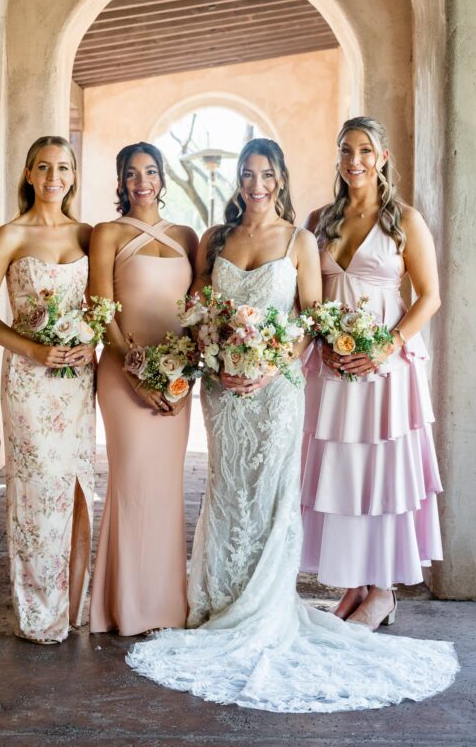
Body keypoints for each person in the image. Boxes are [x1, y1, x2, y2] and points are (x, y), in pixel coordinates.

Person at [126, 137, 458, 713]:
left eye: (267, 175)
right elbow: (199, 310)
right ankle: (220, 601)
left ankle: (278, 605)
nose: (257, 185)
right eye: (247, 175)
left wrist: (267, 366)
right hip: (223, 390)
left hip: (276, 389)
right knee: (227, 494)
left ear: (279, 179)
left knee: (274, 496)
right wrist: (212, 358)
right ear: (238, 181)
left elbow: (307, 317)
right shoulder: (215, 239)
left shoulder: (303, 239)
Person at [300, 116, 445, 629]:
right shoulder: (319, 220)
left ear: (382, 157)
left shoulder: (404, 220)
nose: (354, 160)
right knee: (339, 470)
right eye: (345, 150)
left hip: (386, 369)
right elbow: (307, 296)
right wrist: (320, 338)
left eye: (364, 150)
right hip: (333, 367)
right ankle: (352, 587)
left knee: (381, 470)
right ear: (337, 157)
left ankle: (383, 589)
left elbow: (429, 297)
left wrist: (386, 346)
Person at [0, 135, 95, 644]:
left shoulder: (89, 234)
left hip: (76, 382)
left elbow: (102, 308)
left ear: (73, 175)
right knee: (39, 494)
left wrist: (93, 346)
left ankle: (74, 607)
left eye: (63, 168)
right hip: (28, 380)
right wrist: (31, 349)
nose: (53, 177)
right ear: (27, 173)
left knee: (79, 491)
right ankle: (39, 613)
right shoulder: (10, 235)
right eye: (43, 167)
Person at [88, 142, 198, 636]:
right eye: (131, 173)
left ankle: (165, 607)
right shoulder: (106, 233)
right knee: (132, 483)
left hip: (176, 378)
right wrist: (134, 372)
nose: (141, 181)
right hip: (121, 373)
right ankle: (125, 607)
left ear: (162, 178)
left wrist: (185, 373)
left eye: (150, 171)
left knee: (165, 488)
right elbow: (101, 310)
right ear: (119, 181)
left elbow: (198, 314)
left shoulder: (188, 235)